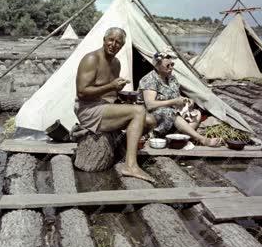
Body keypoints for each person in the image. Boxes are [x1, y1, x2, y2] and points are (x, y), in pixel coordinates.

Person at [75, 27, 156, 182]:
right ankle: (130, 166)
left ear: (122, 45)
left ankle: (123, 149)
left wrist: (121, 96)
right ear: (104, 40)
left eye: (118, 42)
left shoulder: (116, 63)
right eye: (111, 40)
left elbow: (109, 94)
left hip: (104, 107)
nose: (113, 44)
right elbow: (81, 92)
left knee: (150, 120)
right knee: (138, 112)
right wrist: (112, 86)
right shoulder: (92, 59)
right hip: (88, 110)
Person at [138, 50, 212, 146]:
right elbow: (150, 105)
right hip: (150, 114)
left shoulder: (172, 78)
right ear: (157, 66)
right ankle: (200, 139)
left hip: (171, 112)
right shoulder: (149, 79)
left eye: (172, 64)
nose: (171, 68)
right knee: (170, 112)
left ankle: (178, 137)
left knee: (196, 113)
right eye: (167, 66)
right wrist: (173, 102)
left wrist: (186, 101)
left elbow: (176, 96)